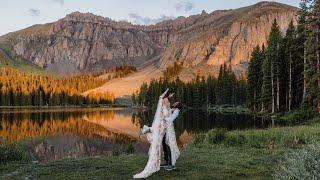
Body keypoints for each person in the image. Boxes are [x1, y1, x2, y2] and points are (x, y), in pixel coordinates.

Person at [133, 89, 176, 179]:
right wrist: (172, 112)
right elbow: (165, 114)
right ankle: (169, 163)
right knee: (166, 143)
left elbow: (162, 113)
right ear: (170, 94)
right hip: (164, 126)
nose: (172, 96)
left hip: (161, 125)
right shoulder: (166, 100)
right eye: (172, 94)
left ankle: (163, 161)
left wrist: (170, 110)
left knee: (162, 142)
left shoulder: (162, 100)